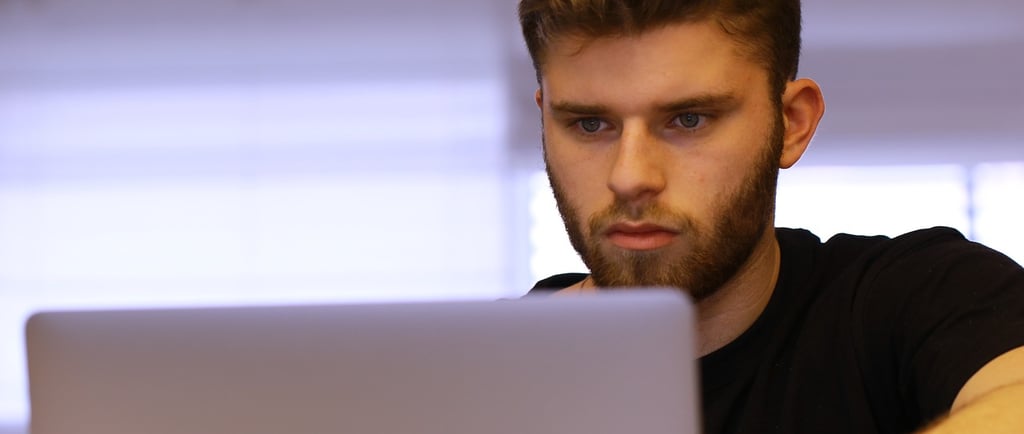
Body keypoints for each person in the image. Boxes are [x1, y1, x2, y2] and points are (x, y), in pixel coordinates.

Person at [517, 1, 1024, 433]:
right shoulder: (484, 365)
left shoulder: (920, 295)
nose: (630, 177)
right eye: (589, 123)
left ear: (791, 123)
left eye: (689, 119)